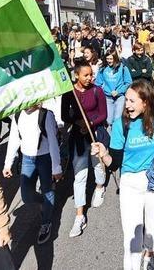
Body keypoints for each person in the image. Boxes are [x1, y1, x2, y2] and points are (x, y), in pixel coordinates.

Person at [91, 80, 154, 270]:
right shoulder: (120, 125)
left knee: (153, 229)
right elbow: (114, 164)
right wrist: (103, 152)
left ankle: (149, 256)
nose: (128, 105)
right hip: (130, 184)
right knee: (132, 237)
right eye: (127, 101)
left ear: (145, 102)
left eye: (133, 101)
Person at [3, 104, 63, 244]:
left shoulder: (45, 114)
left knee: (47, 190)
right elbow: (14, 140)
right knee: (26, 196)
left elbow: (53, 142)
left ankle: (46, 223)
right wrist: (8, 163)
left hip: (45, 158)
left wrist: (56, 167)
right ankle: (46, 203)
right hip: (27, 159)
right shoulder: (18, 115)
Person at [61, 62, 109, 237]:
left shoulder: (98, 91)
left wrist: (90, 123)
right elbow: (64, 115)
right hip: (77, 138)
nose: (90, 78)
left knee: (97, 164)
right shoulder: (69, 92)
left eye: (91, 75)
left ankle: (99, 186)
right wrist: (77, 121)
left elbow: (103, 114)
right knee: (80, 175)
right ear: (76, 76)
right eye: (85, 75)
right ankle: (79, 216)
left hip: (94, 135)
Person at [95, 49, 132, 131]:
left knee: (117, 119)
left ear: (115, 58)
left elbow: (128, 82)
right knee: (108, 120)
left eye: (111, 59)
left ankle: (117, 139)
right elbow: (98, 83)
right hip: (107, 97)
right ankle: (109, 139)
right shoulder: (103, 69)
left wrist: (119, 91)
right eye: (107, 59)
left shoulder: (123, 68)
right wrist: (103, 90)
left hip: (120, 97)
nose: (109, 61)